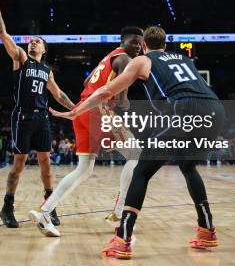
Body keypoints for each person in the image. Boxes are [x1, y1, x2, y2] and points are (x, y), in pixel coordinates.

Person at [50, 26, 225, 259]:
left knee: (141, 170)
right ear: (165, 42)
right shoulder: (184, 58)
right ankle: (207, 230)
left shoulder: (142, 60)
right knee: (188, 165)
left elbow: (107, 90)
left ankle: (122, 239)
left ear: (144, 45)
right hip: (215, 110)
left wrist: (76, 111)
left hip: (183, 110)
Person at [28, 27, 144, 237]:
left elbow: (85, 82)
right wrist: (125, 104)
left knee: (84, 169)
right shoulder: (126, 59)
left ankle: (44, 212)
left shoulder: (108, 57)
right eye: (133, 41)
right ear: (123, 41)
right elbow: (122, 100)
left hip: (83, 109)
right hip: (98, 110)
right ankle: (119, 214)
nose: (137, 46)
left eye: (140, 43)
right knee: (136, 154)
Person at [0, 0, 75, 229]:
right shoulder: (21, 58)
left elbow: (59, 94)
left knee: (46, 162)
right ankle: (7, 207)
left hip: (42, 118)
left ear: (44, 50)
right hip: (22, 117)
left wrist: (77, 109)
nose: (33, 42)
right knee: (19, 164)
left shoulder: (47, 71)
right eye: (32, 40)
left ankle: (49, 206)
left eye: (38, 41)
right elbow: (2, 33)